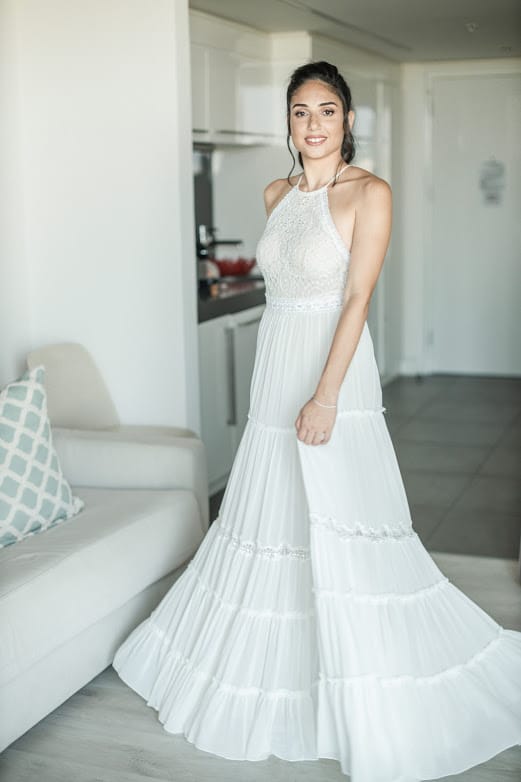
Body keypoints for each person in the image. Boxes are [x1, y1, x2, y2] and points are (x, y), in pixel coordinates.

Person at [113, 61, 521, 781]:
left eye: (326, 110)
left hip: (332, 374)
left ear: (348, 120)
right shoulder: (276, 194)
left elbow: (356, 298)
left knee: (345, 519)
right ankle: (273, 673)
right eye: (300, 111)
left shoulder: (369, 193)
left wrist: (326, 395)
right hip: (276, 374)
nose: (313, 124)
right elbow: (281, 291)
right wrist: (293, 393)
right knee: (272, 521)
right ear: (289, 121)